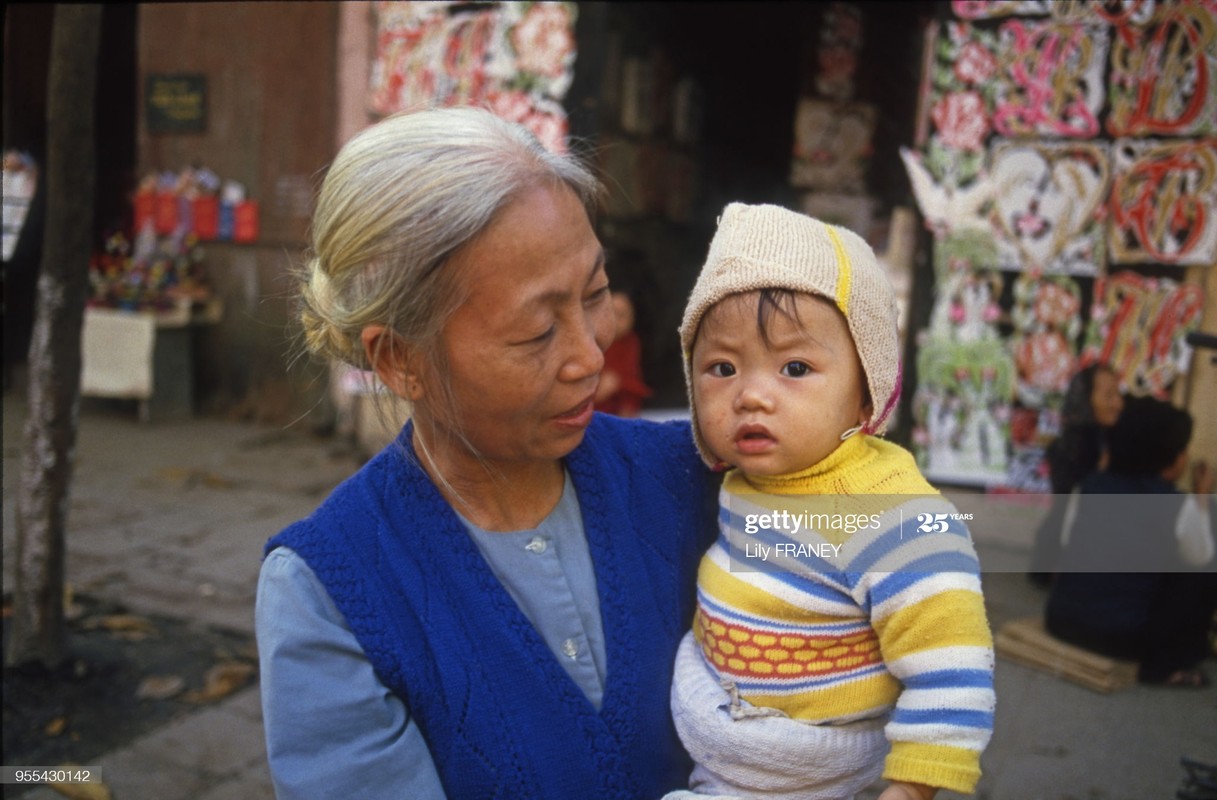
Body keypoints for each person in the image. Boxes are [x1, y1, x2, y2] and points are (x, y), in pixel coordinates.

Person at [255, 106, 717, 799]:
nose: (589, 356)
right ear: (401, 359)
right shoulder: (328, 592)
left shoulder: (692, 478)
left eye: (595, 295)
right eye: (536, 333)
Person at [669, 203, 995, 800]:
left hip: (804, 773)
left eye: (794, 366)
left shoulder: (891, 514)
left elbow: (953, 668)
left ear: (864, 396)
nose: (751, 395)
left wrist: (912, 789)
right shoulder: (751, 477)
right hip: (724, 739)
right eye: (721, 367)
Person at [1045, 396, 1216, 687]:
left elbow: (1066, 543)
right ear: (1169, 457)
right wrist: (1201, 499)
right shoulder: (1177, 504)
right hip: (1122, 641)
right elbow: (1200, 557)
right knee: (1204, 569)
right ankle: (1165, 667)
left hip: (1061, 621)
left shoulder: (1089, 486)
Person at [1028, 363, 1123, 585]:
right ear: (1085, 400)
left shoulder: (1103, 438)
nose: (1119, 403)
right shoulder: (1078, 447)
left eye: (1118, 394)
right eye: (1109, 396)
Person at [594, 290, 652, 416]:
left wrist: (617, 383)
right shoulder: (592, 341)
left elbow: (631, 376)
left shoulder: (631, 342)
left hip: (620, 402)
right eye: (611, 313)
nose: (615, 320)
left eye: (621, 315)